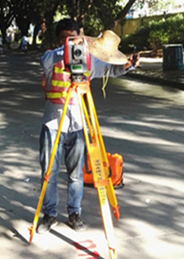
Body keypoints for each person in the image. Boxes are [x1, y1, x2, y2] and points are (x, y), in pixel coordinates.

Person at [36, 18, 139, 234]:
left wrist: (128, 65)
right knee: (49, 172)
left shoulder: (88, 59)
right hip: (53, 123)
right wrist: (66, 49)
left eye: (74, 37)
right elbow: (45, 61)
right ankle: (49, 214)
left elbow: (111, 70)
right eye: (66, 38)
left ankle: (75, 213)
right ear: (59, 39)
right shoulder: (51, 56)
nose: (71, 42)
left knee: (76, 174)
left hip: (78, 123)